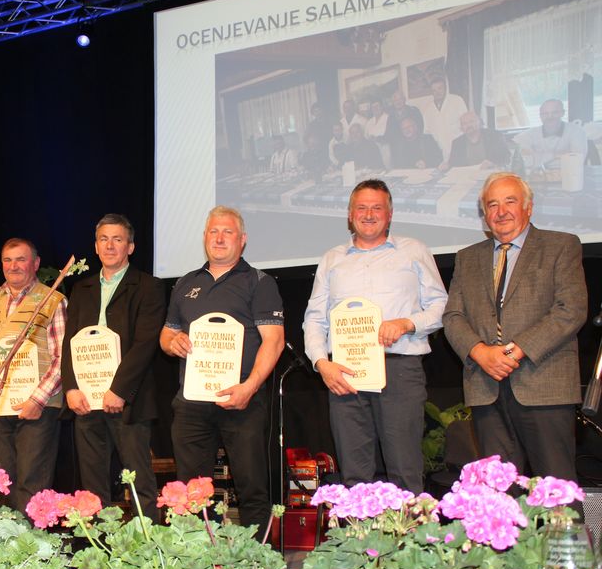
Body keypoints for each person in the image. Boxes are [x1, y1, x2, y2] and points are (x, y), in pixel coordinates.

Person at [303, 180, 447, 492]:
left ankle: (407, 526)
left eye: (377, 208)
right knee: (354, 475)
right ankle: (359, 527)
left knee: (405, 470)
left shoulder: (414, 251)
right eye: (362, 208)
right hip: (345, 373)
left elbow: (441, 307)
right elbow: (314, 318)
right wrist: (321, 363)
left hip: (400, 369)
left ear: (389, 214)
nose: (369, 214)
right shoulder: (332, 259)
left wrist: (407, 323)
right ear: (349, 214)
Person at [443, 173, 587, 479]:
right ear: (484, 214)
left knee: (555, 490)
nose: (501, 211)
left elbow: (571, 310)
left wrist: (514, 352)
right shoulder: (467, 258)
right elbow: (453, 317)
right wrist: (480, 352)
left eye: (510, 201)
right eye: (492, 204)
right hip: (486, 389)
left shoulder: (561, 245)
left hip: (544, 386)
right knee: (497, 494)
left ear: (528, 207)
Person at [160, 206, 285, 530]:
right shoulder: (186, 283)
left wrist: (249, 387)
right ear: (204, 237)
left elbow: (274, 341)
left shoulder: (259, 282)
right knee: (192, 491)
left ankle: (257, 556)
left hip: (241, 399)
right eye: (213, 231)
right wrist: (172, 342)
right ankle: (198, 552)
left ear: (242, 240)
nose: (219, 238)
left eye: (227, 232)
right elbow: (167, 333)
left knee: (251, 486)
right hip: (191, 402)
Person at [61, 214, 165, 521]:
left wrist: (119, 390)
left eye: (117, 239)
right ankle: (99, 545)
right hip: (86, 400)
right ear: (95, 246)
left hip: (128, 400)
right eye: (103, 239)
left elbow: (145, 344)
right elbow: (69, 342)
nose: (109, 246)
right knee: (92, 487)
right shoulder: (81, 288)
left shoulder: (148, 286)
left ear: (130, 247)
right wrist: (71, 388)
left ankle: (149, 544)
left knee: (139, 481)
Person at [0, 238, 67, 515]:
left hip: (38, 408)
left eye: (21, 259)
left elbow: (62, 358)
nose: (13, 266)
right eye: (7, 260)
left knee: (32, 484)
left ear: (36, 263)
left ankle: (30, 540)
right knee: (1, 483)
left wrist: (37, 400)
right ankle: (4, 539)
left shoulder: (53, 299)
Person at [514, 99, 589, 171]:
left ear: (562, 113)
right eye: (545, 113)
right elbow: (522, 162)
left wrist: (537, 156)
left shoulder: (577, 132)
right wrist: (556, 155)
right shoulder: (529, 134)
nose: (550, 117)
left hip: (570, 176)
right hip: (539, 177)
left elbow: (576, 162)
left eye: (555, 112)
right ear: (540, 116)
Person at [441, 112, 511, 171]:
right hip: (466, 177)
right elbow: (453, 164)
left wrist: (493, 163)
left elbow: (506, 157)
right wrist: (446, 166)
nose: (468, 125)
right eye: (464, 123)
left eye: (471, 121)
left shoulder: (494, 136)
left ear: (479, 122)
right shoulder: (457, 143)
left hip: (490, 174)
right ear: (461, 128)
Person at [419, 76, 466, 161]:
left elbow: (466, 123)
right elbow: (427, 134)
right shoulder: (427, 110)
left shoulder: (457, 100)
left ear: (445, 88)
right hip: (439, 153)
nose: (437, 92)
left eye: (440, 88)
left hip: (459, 149)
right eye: (434, 90)